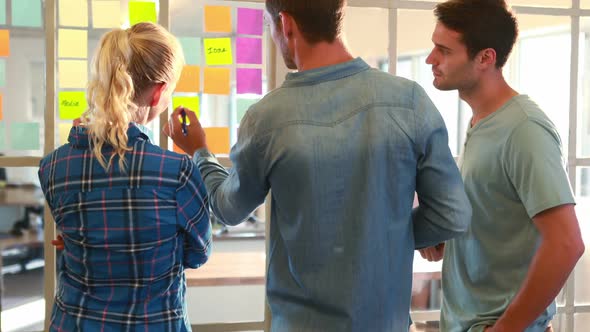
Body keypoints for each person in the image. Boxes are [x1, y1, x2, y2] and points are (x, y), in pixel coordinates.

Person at [166, 0, 472, 330]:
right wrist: (384, 234)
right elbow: (452, 214)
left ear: (285, 24)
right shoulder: (410, 101)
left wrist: (199, 151)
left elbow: (228, 208)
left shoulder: (268, 117)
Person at [419, 1, 586, 331]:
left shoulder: (524, 129)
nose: (430, 59)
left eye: (443, 50)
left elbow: (567, 243)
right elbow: (496, 213)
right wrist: (449, 238)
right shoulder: (480, 122)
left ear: (485, 58)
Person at [38, 22, 211, 331]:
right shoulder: (178, 173)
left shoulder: (54, 167)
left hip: (73, 323)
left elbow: (76, 237)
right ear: (158, 92)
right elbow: (198, 254)